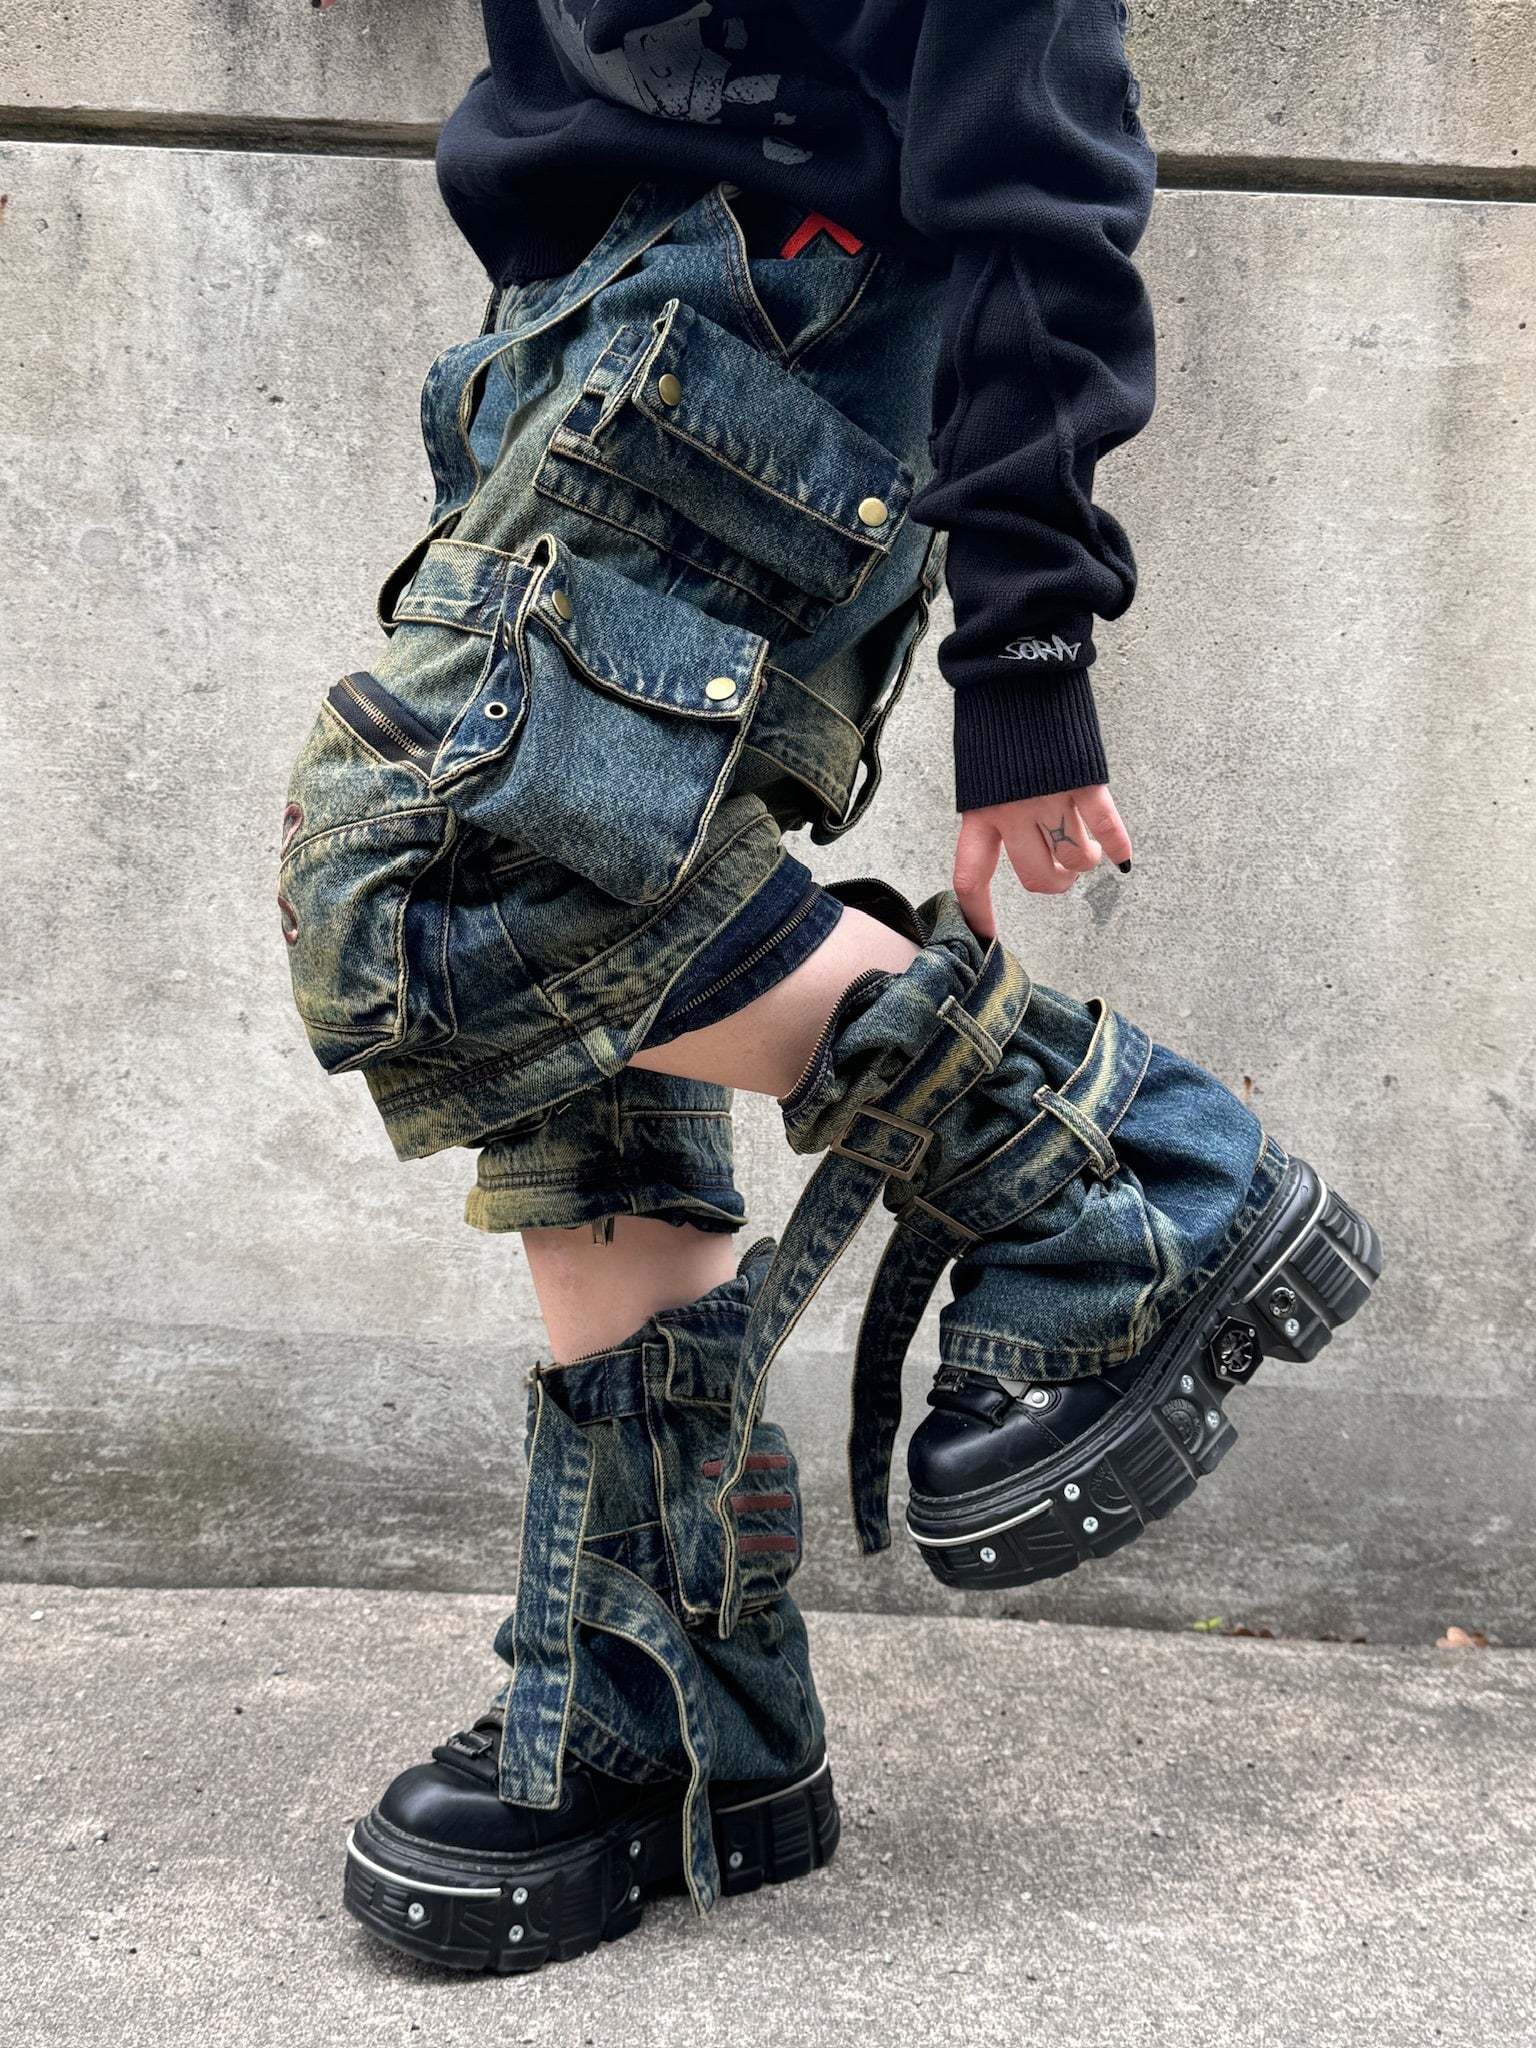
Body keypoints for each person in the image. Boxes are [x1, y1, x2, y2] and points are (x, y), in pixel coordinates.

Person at [282, 0, 1382, 1973]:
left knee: (429, 871)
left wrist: (1030, 636)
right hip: (583, 312)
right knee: (584, 1009)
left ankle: (1118, 1176)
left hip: (777, 297)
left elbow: (1037, 121)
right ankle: (672, 1713)